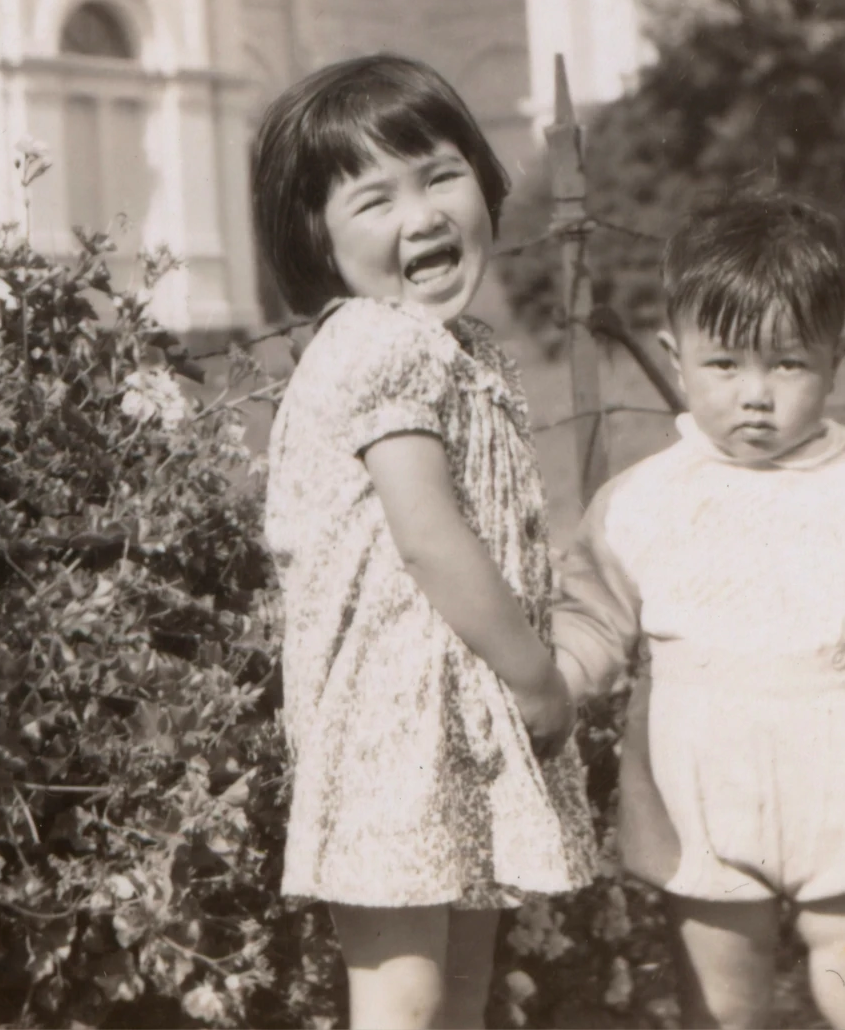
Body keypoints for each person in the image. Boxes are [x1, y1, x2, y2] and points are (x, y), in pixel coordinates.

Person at [552, 195, 845, 1030]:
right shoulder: (641, 502)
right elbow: (593, 616)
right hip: (702, 802)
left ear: (836, 359)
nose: (754, 395)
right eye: (724, 365)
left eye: (786, 364)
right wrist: (553, 679)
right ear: (673, 358)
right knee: (721, 1006)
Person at [253, 55, 594, 1030]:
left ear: (482, 182)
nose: (421, 213)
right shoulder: (376, 345)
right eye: (374, 198)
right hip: (388, 725)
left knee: (459, 989)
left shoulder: (461, 349)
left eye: (440, 175)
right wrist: (535, 675)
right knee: (402, 994)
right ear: (315, 238)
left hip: (452, 716)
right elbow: (428, 533)